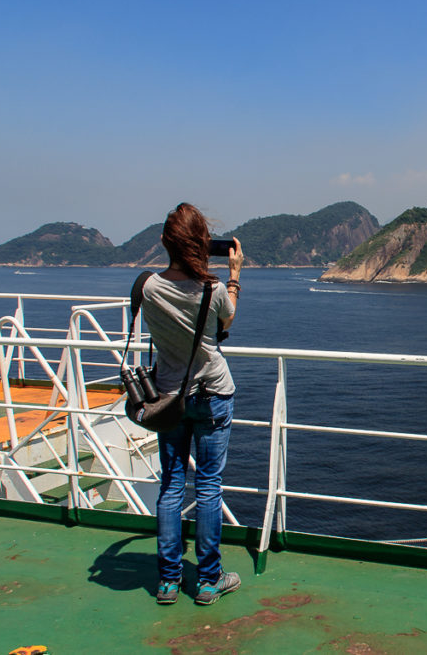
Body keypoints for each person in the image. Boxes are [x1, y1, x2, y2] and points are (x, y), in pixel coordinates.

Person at [140, 202, 243, 606]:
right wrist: (234, 275)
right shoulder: (213, 289)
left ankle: (167, 582)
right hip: (213, 394)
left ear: (166, 243)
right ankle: (207, 581)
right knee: (208, 485)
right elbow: (227, 323)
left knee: (170, 484)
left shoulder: (147, 287)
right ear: (202, 243)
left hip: (168, 398)